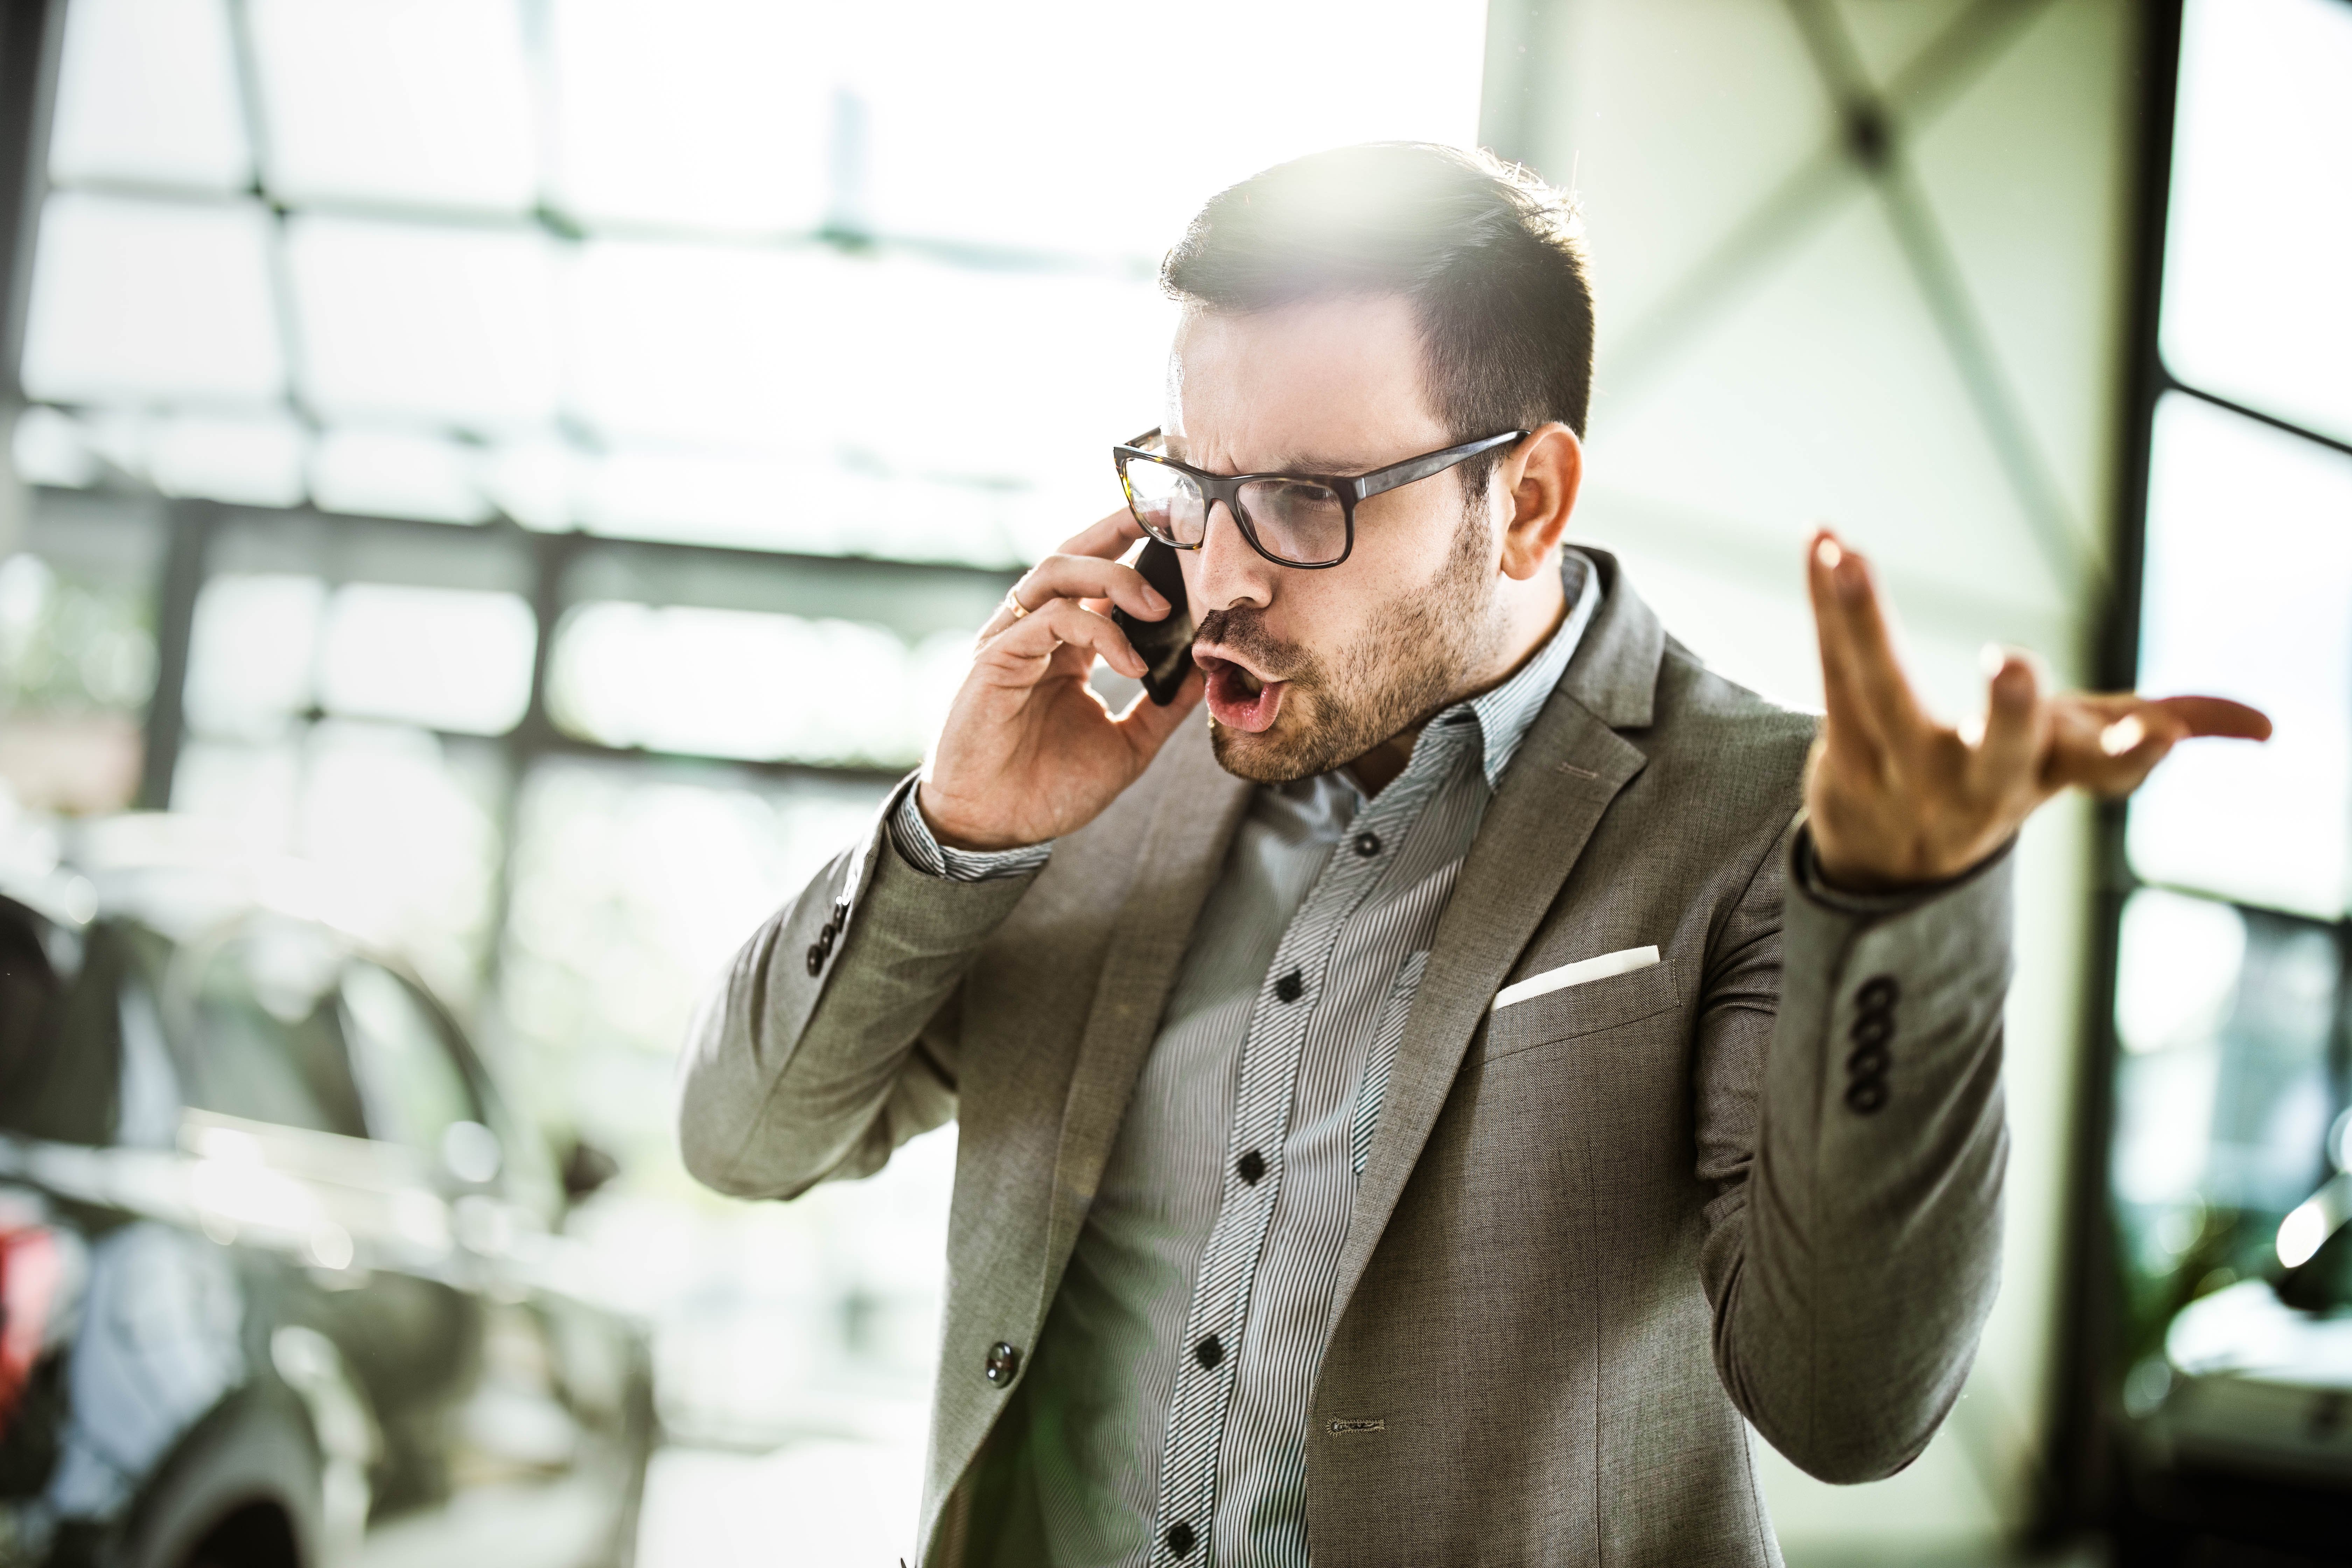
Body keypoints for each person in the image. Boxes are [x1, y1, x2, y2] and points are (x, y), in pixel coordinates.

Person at [677, 144, 2268, 1567]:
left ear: (1526, 500)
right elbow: (745, 1138)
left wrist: (1898, 917)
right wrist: (956, 830)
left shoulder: (1758, 814)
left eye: (1305, 499)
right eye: (1193, 482)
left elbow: (1850, 1406)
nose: (1217, 573)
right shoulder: (1091, 766)